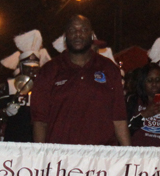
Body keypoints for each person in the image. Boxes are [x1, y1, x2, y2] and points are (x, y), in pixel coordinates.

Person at [31, 15, 131, 146]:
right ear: (65, 36)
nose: (78, 34)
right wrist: (41, 157)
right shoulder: (49, 70)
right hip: (61, 156)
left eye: (83, 30)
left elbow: (119, 119)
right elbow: (40, 121)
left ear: (91, 35)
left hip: (102, 157)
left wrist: (129, 158)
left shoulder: (109, 69)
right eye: (73, 30)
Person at [0, 30, 49, 143]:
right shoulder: (10, 85)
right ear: (21, 67)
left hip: (37, 139)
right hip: (14, 138)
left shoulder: (45, 87)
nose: (31, 72)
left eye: (34, 68)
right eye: (28, 68)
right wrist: (6, 111)